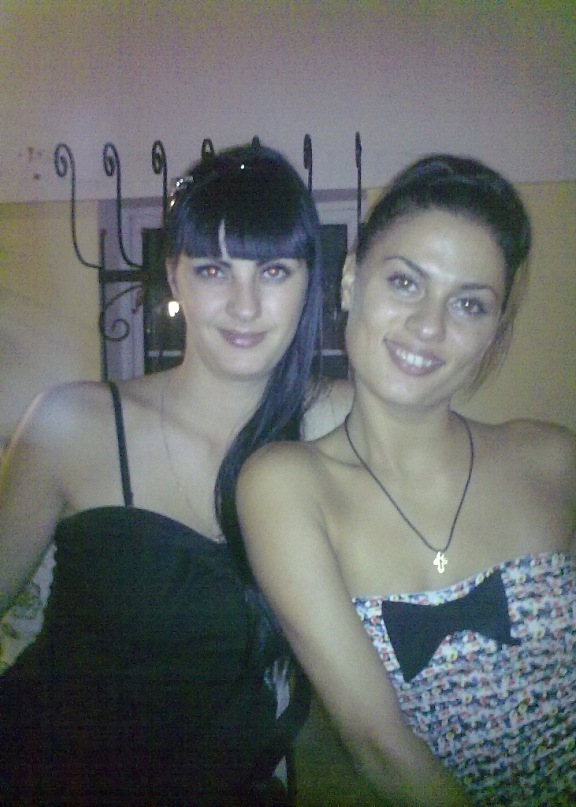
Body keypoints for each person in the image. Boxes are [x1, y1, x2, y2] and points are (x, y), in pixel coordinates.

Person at [237, 154, 576, 806]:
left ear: (493, 329)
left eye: (468, 304)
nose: (429, 326)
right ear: (351, 280)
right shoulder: (285, 486)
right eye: (405, 282)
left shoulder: (553, 458)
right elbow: (380, 748)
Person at [0, 142, 351, 806]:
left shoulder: (339, 422)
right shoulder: (75, 421)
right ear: (174, 275)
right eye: (214, 269)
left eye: (274, 270)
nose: (244, 305)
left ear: (310, 281)